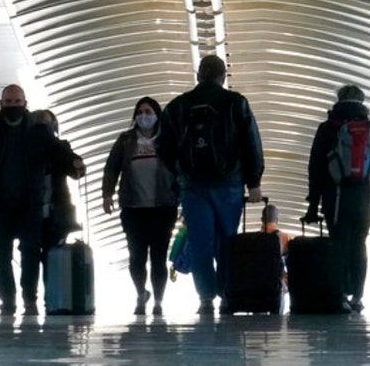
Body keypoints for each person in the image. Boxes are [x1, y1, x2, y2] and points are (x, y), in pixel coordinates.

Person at [0, 85, 86, 316]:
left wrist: (75, 163)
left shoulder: (39, 133)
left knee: (31, 253)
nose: (12, 106)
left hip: (30, 206)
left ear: (25, 104)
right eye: (8, 102)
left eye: (17, 101)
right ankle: (8, 300)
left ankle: (29, 299)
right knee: (0, 257)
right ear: (1, 104)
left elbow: (59, 151)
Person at [157, 55, 264, 315]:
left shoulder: (178, 106)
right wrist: (254, 181)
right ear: (222, 76)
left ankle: (205, 298)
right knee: (228, 239)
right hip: (229, 185)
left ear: (198, 75)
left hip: (193, 187)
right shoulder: (236, 103)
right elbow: (251, 143)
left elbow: (163, 146)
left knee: (200, 240)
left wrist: (181, 172)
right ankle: (227, 295)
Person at [305, 84, 370, 313]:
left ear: (338, 101)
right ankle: (357, 296)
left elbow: (315, 167)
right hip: (366, 199)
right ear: (362, 102)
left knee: (338, 244)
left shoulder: (328, 128)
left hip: (335, 198)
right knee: (359, 244)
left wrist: (313, 206)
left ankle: (340, 294)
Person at [102, 97, 179, 316]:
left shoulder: (167, 140)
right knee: (136, 255)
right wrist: (107, 194)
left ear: (157, 115)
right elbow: (112, 168)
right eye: (140, 111)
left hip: (163, 207)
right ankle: (140, 293)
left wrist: (182, 196)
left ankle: (158, 301)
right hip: (133, 208)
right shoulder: (126, 140)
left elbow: (179, 168)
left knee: (158, 256)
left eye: (148, 111)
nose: (144, 115)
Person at [32, 110, 82, 253]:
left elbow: (74, 168)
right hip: (35, 212)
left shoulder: (59, 147)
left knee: (51, 255)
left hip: (56, 214)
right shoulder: (24, 148)